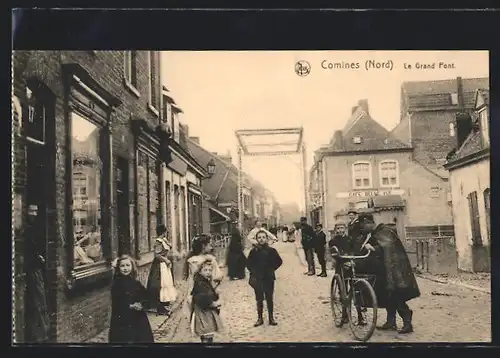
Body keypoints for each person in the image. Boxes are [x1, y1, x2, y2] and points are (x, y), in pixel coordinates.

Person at [358, 213, 420, 334]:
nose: (362, 228)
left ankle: (408, 322)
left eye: (362, 225)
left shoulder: (385, 231)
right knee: (388, 296)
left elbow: (387, 246)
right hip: (385, 271)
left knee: (397, 296)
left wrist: (373, 248)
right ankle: (391, 322)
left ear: (368, 223)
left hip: (395, 271)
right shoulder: (376, 233)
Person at [109, 255, 154, 343]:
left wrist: (142, 304)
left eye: (128, 265)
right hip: (122, 320)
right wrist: (129, 306)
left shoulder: (135, 283)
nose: (125, 268)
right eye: (122, 266)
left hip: (138, 318)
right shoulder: (116, 284)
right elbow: (116, 302)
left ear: (132, 267)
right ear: (118, 268)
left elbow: (147, 296)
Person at [184, 234, 223, 335]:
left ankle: (202, 334)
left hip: (196, 291)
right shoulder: (210, 259)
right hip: (208, 291)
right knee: (210, 316)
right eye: (209, 244)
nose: (211, 247)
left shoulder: (191, 260)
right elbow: (217, 276)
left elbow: (191, 278)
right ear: (203, 246)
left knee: (198, 316)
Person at [24, 204, 50, 343]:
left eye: (36, 211)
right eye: (31, 211)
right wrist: (38, 257)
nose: (34, 214)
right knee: (37, 300)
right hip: (31, 270)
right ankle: (38, 335)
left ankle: (40, 334)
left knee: (39, 301)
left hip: (36, 269)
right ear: (25, 211)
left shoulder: (33, 229)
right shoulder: (26, 229)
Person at [246, 230, 283, 327]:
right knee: (259, 299)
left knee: (269, 298)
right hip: (258, 278)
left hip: (268, 278)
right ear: (256, 239)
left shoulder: (272, 251)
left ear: (267, 239)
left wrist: (271, 269)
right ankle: (260, 318)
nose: (261, 239)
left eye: (263, 237)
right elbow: (248, 264)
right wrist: (254, 272)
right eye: (259, 237)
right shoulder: (253, 251)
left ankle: (271, 318)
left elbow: (279, 261)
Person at [191, 259, 224, 343]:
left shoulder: (205, 281)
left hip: (207, 311)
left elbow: (210, 293)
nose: (208, 272)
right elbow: (200, 297)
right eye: (205, 270)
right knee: (206, 331)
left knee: (208, 332)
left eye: (210, 270)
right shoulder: (200, 283)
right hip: (203, 311)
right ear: (200, 271)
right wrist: (213, 303)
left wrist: (215, 291)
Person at [147, 225, 177, 315]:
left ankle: (164, 305)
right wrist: (166, 260)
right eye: (165, 232)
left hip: (164, 265)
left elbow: (168, 247)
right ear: (163, 232)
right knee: (161, 285)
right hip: (160, 266)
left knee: (166, 284)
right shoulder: (158, 242)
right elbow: (157, 255)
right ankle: (160, 307)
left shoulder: (163, 240)